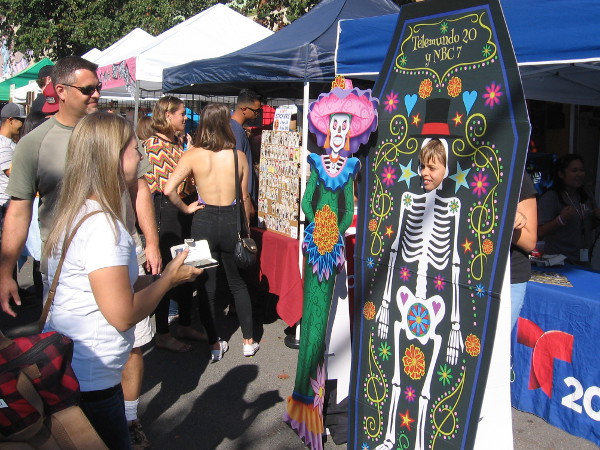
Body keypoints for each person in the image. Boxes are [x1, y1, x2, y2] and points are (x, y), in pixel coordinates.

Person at [0, 56, 161, 449]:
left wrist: (151, 241)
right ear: (60, 91)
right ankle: (93, 421)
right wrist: (6, 268)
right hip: (69, 258)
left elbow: (139, 189)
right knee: (83, 356)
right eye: (88, 89)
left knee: (131, 343)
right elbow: (19, 208)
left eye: (97, 87)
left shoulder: (112, 131)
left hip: (118, 251)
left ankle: (126, 417)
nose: (97, 94)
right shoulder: (35, 144)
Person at [43, 111, 202, 450]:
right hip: (93, 379)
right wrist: (170, 277)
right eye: (134, 149)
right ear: (111, 159)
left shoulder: (80, 210)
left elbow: (112, 290)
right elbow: (123, 312)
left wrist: (165, 280)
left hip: (80, 369)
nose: (142, 155)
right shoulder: (104, 227)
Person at [164, 103, 259, 361]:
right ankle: (249, 341)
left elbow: (168, 189)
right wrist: (245, 228)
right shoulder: (238, 156)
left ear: (204, 123)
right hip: (231, 219)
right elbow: (244, 197)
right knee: (237, 283)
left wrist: (186, 208)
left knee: (207, 285)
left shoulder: (192, 154)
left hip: (203, 219)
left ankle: (215, 344)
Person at [144, 96, 206, 352]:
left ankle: (184, 322)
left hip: (182, 211)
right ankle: (162, 332)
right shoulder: (153, 144)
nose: (185, 118)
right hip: (166, 214)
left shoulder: (178, 142)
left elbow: (187, 182)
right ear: (168, 115)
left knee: (187, 266)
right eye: (182, 113)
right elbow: (172, 185)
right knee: (165, 272)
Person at [538, 154, 600, 265]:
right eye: (574, 171)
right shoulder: (551, 197)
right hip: (559, 261)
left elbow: (586, 225)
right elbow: (540, 231)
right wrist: (560, 220)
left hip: (583, 259)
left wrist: (597, 217)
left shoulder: (586, 194)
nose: (579, 174)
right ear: (561, 174)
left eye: (582, 170)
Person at [510, 172, 537, 329]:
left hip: (509, 278)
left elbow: (530, 241)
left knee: (493, 347)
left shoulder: (518, 175)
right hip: (471, 274)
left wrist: (502, 218)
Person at [0, 103, 26, 242]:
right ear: (10, 120)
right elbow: (12, 173)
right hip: (5, 204)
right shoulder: (3, 145)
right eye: (20, 120)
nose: (22, 124)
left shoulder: (9, 143)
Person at [230, 88, 259, 209]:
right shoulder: (235, 130)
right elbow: (237, 168)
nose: (258, 114)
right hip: (242, 200)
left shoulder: (238, 129)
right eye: (256, 111)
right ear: (244, 109)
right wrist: (247, 201)